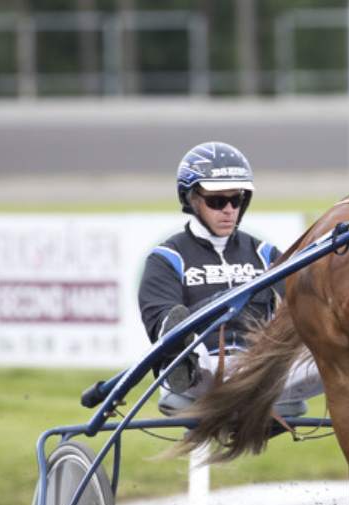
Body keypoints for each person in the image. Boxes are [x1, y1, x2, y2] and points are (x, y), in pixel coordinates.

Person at [138, 141, 322, 415]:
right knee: (179, 334)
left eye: (236, 200)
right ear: (192, 199)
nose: (228, 210)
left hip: (259, 372)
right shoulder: (167, 258)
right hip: (202, 372)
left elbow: (305, 308)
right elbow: (159, 322)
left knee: (334, 353)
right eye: (217, 201)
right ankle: (186, 368)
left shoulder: (266, 255)